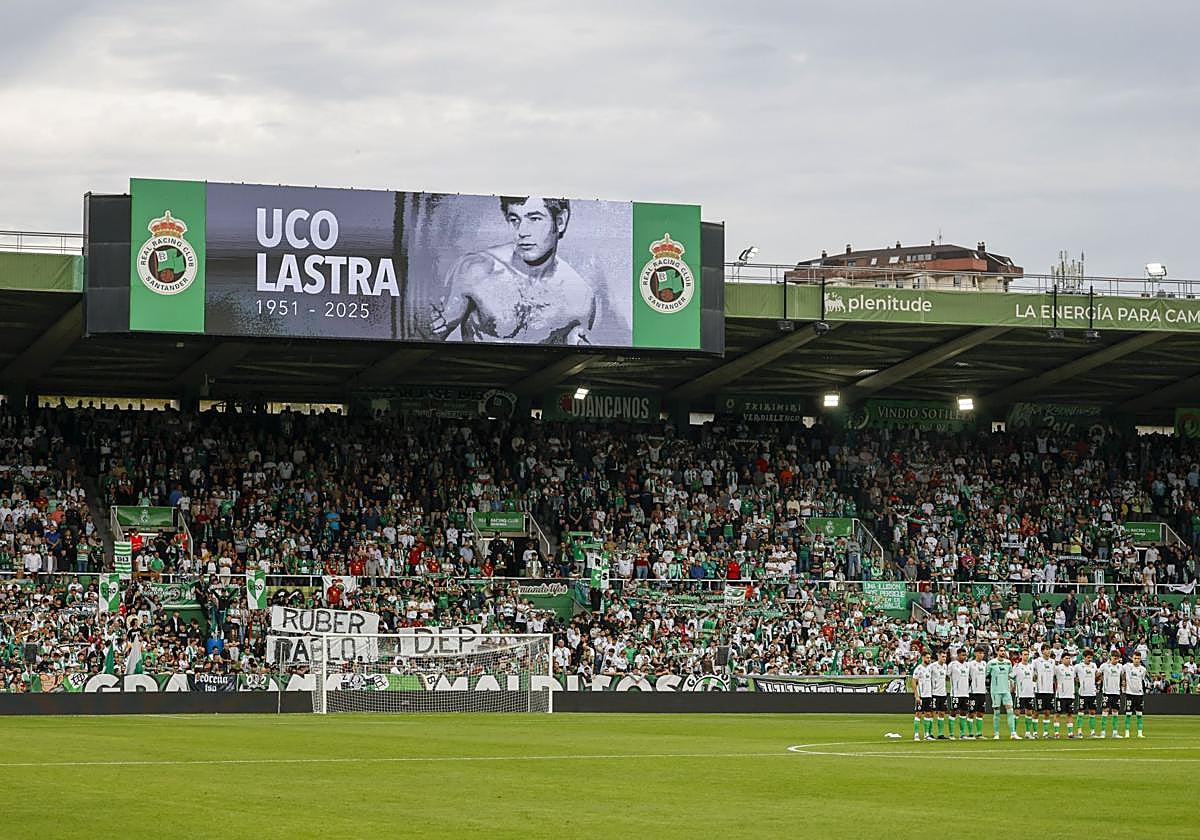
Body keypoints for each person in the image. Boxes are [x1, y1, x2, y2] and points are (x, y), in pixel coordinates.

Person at [430, 197, 598, 345]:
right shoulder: (476, 271)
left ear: (560, 221)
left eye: (534, 219)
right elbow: (426, 338)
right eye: (514, 219)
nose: (522, 232)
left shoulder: (580, 299)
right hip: (474, 376)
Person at [985, 646, 1020, 740]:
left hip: (1006, 691)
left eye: (1004, 651)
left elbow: (1011, 674)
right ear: (997, 652)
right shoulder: (991, 663)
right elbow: (986, 675)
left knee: (1010, 711)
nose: (1003, 652)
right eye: (1001, 651)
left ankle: (1013, 733)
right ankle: (996, 733)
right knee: (996, 712)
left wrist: (1013, 679)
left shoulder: (1008, 663)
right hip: (995, 691)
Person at [1073, 648, 1100, 737]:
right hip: (1083, 693)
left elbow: (1096, 675)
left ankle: (1092, 732)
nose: (1090, 659)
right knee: (1081, 712)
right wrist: (1076, 680)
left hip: (1092, 692)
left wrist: (1097, 680)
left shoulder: (1094, 665)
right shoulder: (1078, 666)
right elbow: (1072, 675)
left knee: (1092, 712)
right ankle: (1079, 731)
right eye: (1088, 657)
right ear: (1084, 657)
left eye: (1091, 657)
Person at [1098, 650, 1125, 738]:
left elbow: (1123, 676)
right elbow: (1098, 674)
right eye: (1114, 658)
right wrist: (1101, 679)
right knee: (1105, 711)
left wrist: (1123, 682)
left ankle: (1115, 732)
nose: (1116, 660)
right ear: (1111, 657)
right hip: (1107, 692)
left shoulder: (1120, 666)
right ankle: (1102, 732)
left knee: (1115, 711)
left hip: (1116, 692)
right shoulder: (1104, 666)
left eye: (1117, 659)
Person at [1033, 643, 1057, 738]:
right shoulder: (1037, 661)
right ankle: (1034, 732)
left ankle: (1046, 732)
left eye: (1049, 649)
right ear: (1042, 651)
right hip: (1040, 690)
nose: (1048, 651)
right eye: (1046, 649)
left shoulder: (1052, 662)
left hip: (1050, 690)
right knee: (1037, 711)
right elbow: (1033, 673)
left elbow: (1055, 675)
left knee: (1047, 712)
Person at [1012, 649, 1038, 739]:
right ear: (1021, 656)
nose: (1026, 656)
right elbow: (1011, 676)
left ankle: (1027, 733)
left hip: (1030, 693)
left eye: (1027, 654)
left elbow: (1034, 678)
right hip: (1020, 693)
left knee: (1029, 713)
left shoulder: (1031, 667)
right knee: (1017, 713)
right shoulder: (1017, 666)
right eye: (1024, 654)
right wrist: (1013, 686)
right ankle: (1013, 732)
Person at [1122, 650, 1148, 738]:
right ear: (1132, 658)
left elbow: (1143, 680)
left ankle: (1140, 733)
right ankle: (1127, 732)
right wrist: (1124, 681)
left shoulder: (1143, 669)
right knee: (1128, 714)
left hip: (1139, 694)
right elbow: (1121, 673)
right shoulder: (1127, 666)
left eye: (1138, 659)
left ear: (1140, 659)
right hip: (1129, 693)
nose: (1136, 660)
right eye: (1135, 658)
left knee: (1139, 714)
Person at [948, 648, 971, 739]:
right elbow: (947, 675)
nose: (964, 657)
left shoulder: (967, 665)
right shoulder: (952, 665)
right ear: (958, 655)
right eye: (962, 655)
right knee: (953, 712)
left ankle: (962, 734)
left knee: (963, 713)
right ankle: (951, 734)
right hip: (955, 693)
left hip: (965, 693)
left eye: (965, 655)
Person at [911, 650, 934, 742]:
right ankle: (916, 734)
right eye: (927, 658)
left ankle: (926, 734)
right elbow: (913, 682)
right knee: (918, 714)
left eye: (929, 658)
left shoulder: (930, 668)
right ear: (923, 658)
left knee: (928, 714)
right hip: (921, 695)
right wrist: (917, 695)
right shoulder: (918, 669)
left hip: (929, 695)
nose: (929, 659)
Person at [1053, 652, 1077, 739]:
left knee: (1070, 714)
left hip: (1070, 695)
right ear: (1062, 659)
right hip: (1061, 695)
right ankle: (1056, 732)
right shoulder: (1058, 668)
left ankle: (1070, 733)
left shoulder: (1072, 669)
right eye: (1066, 658)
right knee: (1057, 714)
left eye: (1069, 658)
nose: (1068, 660)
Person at [968, 646, 988, 740]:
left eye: (982, 653)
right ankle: (971, 733)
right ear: (975, 653)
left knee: (980, 713)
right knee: (971, 713)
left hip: (982, 691)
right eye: (979, 653)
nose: (981, 655)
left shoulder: (984, 664)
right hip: (973, 692)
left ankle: (979, 733)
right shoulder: (970, 664)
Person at [929, 649, 950, 739]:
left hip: (943, 693)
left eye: (945, 657)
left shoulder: (945, 666)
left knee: (942, 713)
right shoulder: (932, 666)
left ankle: (940, 733)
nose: (944, 658)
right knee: (932, 713)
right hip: (934, 693)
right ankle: (929, 733)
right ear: (938, 656)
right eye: (942, 656)